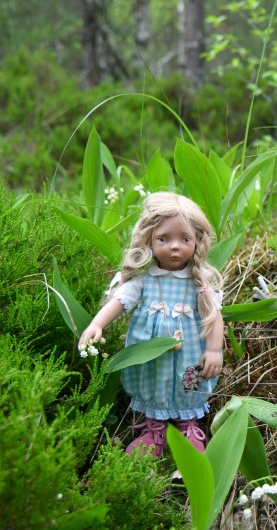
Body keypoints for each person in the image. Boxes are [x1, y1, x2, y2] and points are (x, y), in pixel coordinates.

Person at [79, 192, 224, 455]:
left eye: (185, 239)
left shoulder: (199, 281)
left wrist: (214, 350)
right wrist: (97, 323)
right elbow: (120, 301)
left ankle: (187, 425)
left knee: (189, 380)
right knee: (152, 378)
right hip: (151, 351)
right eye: (163, 239)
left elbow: (213, 315)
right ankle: (154, 428)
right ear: (149, 239)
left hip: (190, 351)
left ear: (197, 241)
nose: (175, 247)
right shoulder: (144, 279)